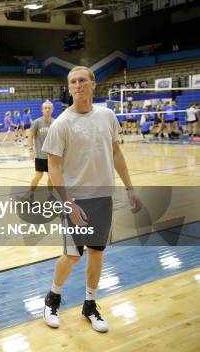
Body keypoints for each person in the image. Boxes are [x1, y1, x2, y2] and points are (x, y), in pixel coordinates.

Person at [41, 66, 141, 333]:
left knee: (97, 253)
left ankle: (90, 304)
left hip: (103, 198)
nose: (77, 85)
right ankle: (53, 297)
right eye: (72, 81)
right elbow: (53, 165)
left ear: (93, 84)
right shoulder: (61, 124)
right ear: (69, 87)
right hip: (76, 200)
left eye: (82, 80)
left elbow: (116, 154)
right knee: (72, 256)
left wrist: (130, 187)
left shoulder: (107, 116)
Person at [25, 100, 55, 201]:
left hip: (51, 156)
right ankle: (31, 194)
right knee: (38, 175)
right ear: (42, 110)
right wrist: (30, 150)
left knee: (51, 177)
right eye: (45, 108)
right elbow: (29, 135)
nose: (47, 109)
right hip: (40, 155)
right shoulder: (38, 122)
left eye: (49, 108)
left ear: (52, 110)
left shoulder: (55, 122)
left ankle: (50, 195)